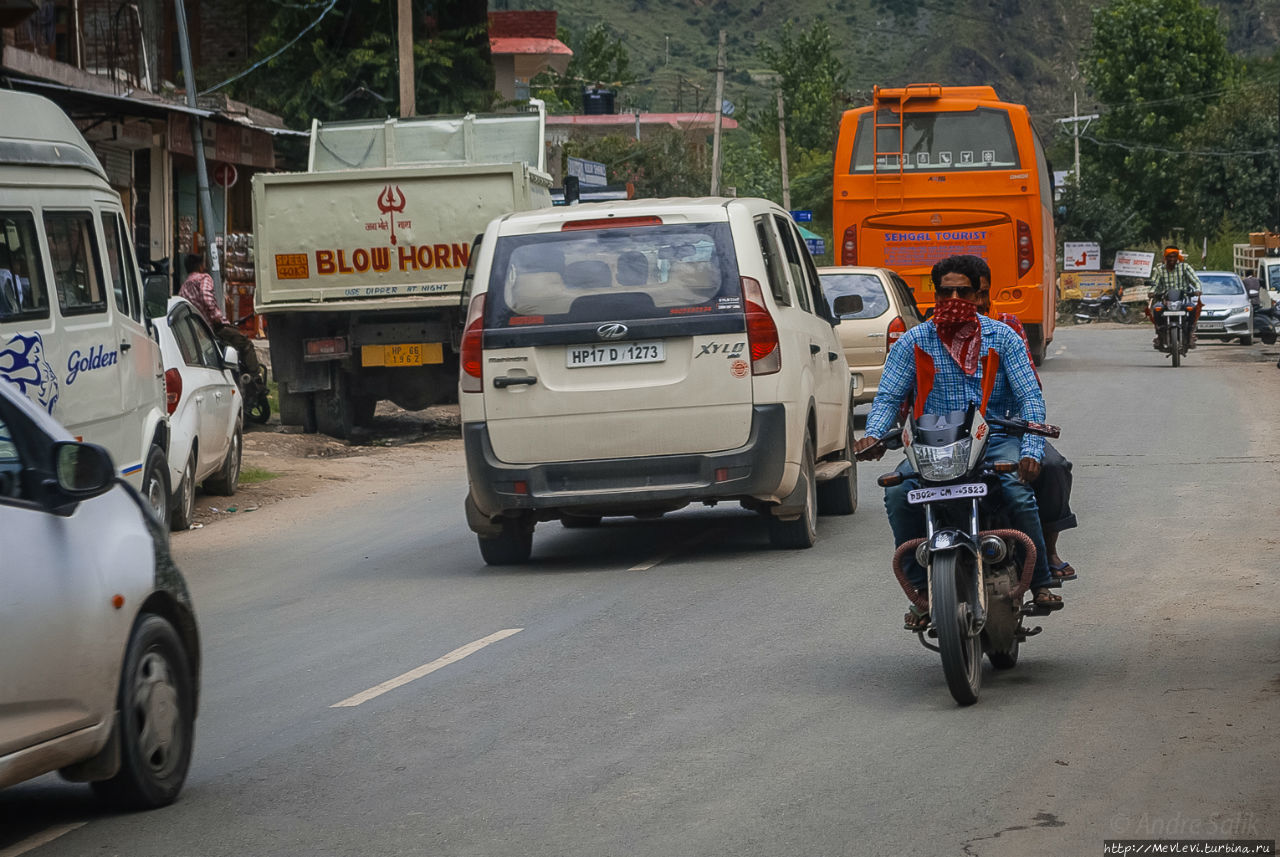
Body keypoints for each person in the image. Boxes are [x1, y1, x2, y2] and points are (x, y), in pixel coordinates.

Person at [853, 254, 1062, 631]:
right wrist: (873, 433)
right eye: (945, 291)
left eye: (961, 291)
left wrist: (1030, 450)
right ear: (934, 294)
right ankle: (922, 594)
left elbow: (1030, 397)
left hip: (996, 438)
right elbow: (887, 397)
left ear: (977, 293)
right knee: (898, 495)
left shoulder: (1003, 337)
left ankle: (1042, 582)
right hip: (932, 446)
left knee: (1017, 490)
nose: (953, 298)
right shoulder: (914, 341)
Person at [968, 256, 1078, 583]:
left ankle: (1047, 551)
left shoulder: (1007, 328)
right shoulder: (929, 333)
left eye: (978, 293)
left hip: (1007, 431)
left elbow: (1031, 390)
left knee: (1054, 467)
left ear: (988, 294)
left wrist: (1027, 436)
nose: (971, 302)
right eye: (958, 294)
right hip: (953, 439)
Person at [178, 253, 262, 378]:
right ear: (200, 266)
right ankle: (256, 379)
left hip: (198, 330)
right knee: (245, 344)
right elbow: (206, 297)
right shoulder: (204, 278)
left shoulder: (184, 286)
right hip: (213, 328)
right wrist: (216, 316)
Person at [1146, 246, 1201, 351]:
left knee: (1192, 308)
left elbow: (1195, 280)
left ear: (1178, 257)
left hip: (1183, 299)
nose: (1172, 259)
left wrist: (1197, 290)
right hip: (1165, 300)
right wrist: (1152, 292)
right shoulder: (1159, 269)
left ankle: (1189, 334)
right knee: (1157, 308)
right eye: (1169, 257)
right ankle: (1160, 334)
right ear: (1165, 258)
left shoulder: (1185, 267)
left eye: (1174, 257)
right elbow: (1154, 283)